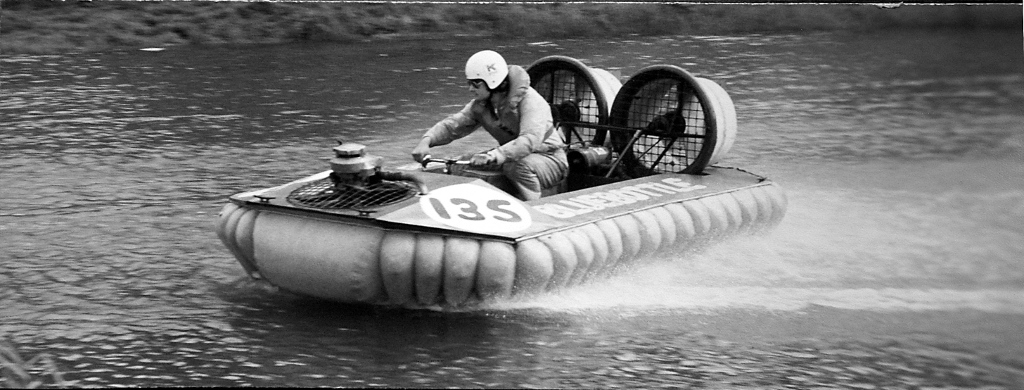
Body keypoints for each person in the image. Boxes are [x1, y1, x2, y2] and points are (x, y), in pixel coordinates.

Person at [411, 50, 568, 201]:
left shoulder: (531, 101)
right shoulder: (482, 105)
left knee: (516, 167)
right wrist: (427, 140)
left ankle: (535, 207)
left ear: (494, 83)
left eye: (476, 84)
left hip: (550, 159)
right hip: (509, 157)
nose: (470, 89)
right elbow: (453, 125)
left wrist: (494, 155)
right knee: (463, 164)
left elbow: (529, 140)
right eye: (469, 83)